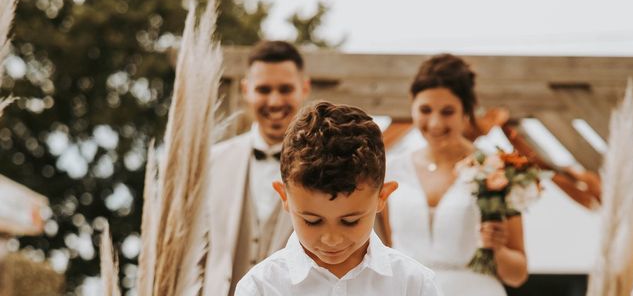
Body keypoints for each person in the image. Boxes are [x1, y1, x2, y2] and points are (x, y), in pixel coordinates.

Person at [235, 101, 443, 296]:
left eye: (350, 221)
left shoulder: (413, 285)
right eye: (312, 221)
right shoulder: (260, 287)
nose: (331, 239)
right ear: (284, 196)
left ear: (382, 197)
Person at [384, 54, 528, 295]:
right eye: (425, 110)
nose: (435, 123)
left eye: (447, 111)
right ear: (412, 108)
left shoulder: (496, 171)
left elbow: (518, 274)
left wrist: (498, 250)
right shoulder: (391, 169)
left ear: (466, 112)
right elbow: (387, 249)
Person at [204, 41, 311, 296]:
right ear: (245, 90)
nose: (274, 102)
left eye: (285, 89)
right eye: (263, 89)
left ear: (304, 88)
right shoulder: (213, 162)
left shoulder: (327, 163)